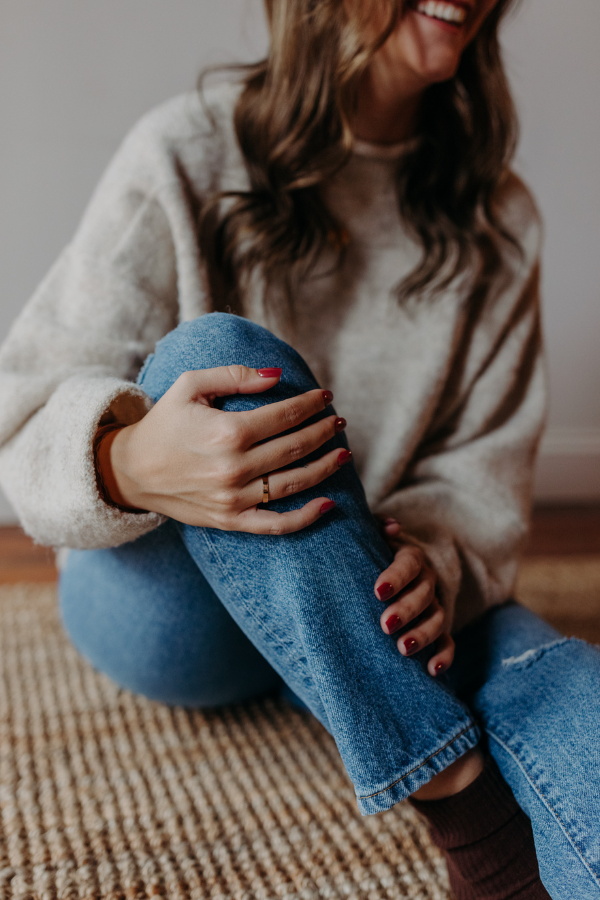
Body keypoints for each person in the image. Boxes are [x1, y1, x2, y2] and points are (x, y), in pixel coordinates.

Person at [1, 1, 599, 897]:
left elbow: (483, 472)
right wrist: (131, 460)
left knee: (561, 681)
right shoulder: (184, 151)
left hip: (376, 600)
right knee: (215, 361)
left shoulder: (497, 216)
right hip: (172, 613)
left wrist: (435, 560)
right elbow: (20, 417)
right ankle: (468, 817)